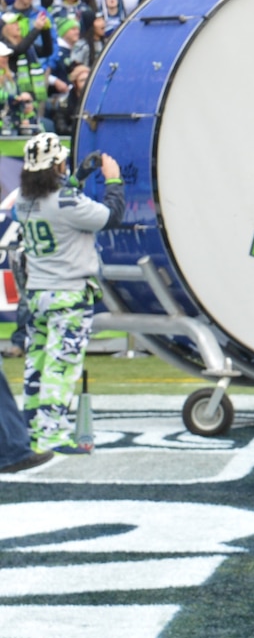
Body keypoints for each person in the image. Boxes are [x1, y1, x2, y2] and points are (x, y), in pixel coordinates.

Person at [14, 134, 122, 455]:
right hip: (68, 296)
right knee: (61, 367)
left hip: (37, 296)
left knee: (37, 364)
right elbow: (110, 216)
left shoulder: (23, 199)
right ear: (56, 165)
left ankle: (32, 431)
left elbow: (56, 197)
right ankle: (51, 437)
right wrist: (113, 179)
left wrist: (77, 179)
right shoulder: (65, 202)